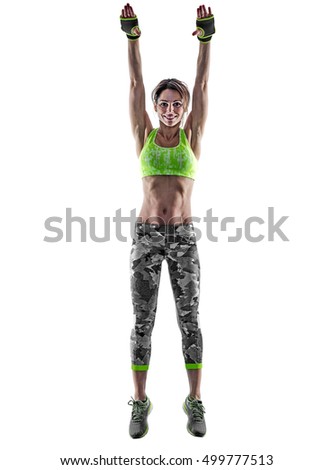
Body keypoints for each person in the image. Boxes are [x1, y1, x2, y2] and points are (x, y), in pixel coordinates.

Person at [120, 3, 215, 438]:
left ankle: (194, 400)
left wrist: (206, 39)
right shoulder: (144, 133)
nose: (171, 108)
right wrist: (132, 37)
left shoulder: (193, 134)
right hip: (146, 237)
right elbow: (136, 81)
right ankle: (140, 402)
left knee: (189, 318)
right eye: (165, 103)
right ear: (156, 107)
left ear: (185, 108)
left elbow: (203, 81)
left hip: (182, 239)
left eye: (178, 104)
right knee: (143, 320)